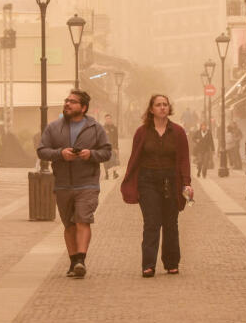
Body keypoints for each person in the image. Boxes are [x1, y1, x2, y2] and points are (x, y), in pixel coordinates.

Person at [36, 90, 112, 279]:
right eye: (66, 101)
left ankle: (81, 260)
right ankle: (73, 262)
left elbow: (107, 152)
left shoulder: (95, 128)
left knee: (82, 220)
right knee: (69, 225)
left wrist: (91, 155)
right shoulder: (54, 128)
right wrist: (60, 154)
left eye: (73, 102)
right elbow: (42, 151)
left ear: (83, 107)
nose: (68, 104)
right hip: (62, 184)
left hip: (87, 183)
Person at [120, 94, 193, 277]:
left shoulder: (177, 132)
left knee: (171, 223)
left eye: (165, 105)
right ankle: (148, 264)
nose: (162, 108)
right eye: (158, 105)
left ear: (169, 108)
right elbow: (135, 158)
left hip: (171, 181)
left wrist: (187, 183)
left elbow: (184, 159)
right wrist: (130, 182)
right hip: (148, 181)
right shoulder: (142, 132)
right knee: (151, 223)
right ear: (151, 109)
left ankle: (171, 262)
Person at [103, 114, 121, 179]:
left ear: (111, 119)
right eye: (107, 118)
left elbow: (116, 138)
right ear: (105, 119)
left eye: (109, 118)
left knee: (114, 161)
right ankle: (106, 174)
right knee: (106, 161)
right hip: (105, 148)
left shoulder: (114, 128)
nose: (108, 120)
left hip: (113, 147)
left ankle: (114, 174)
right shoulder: (103, 128)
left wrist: (116, 148)